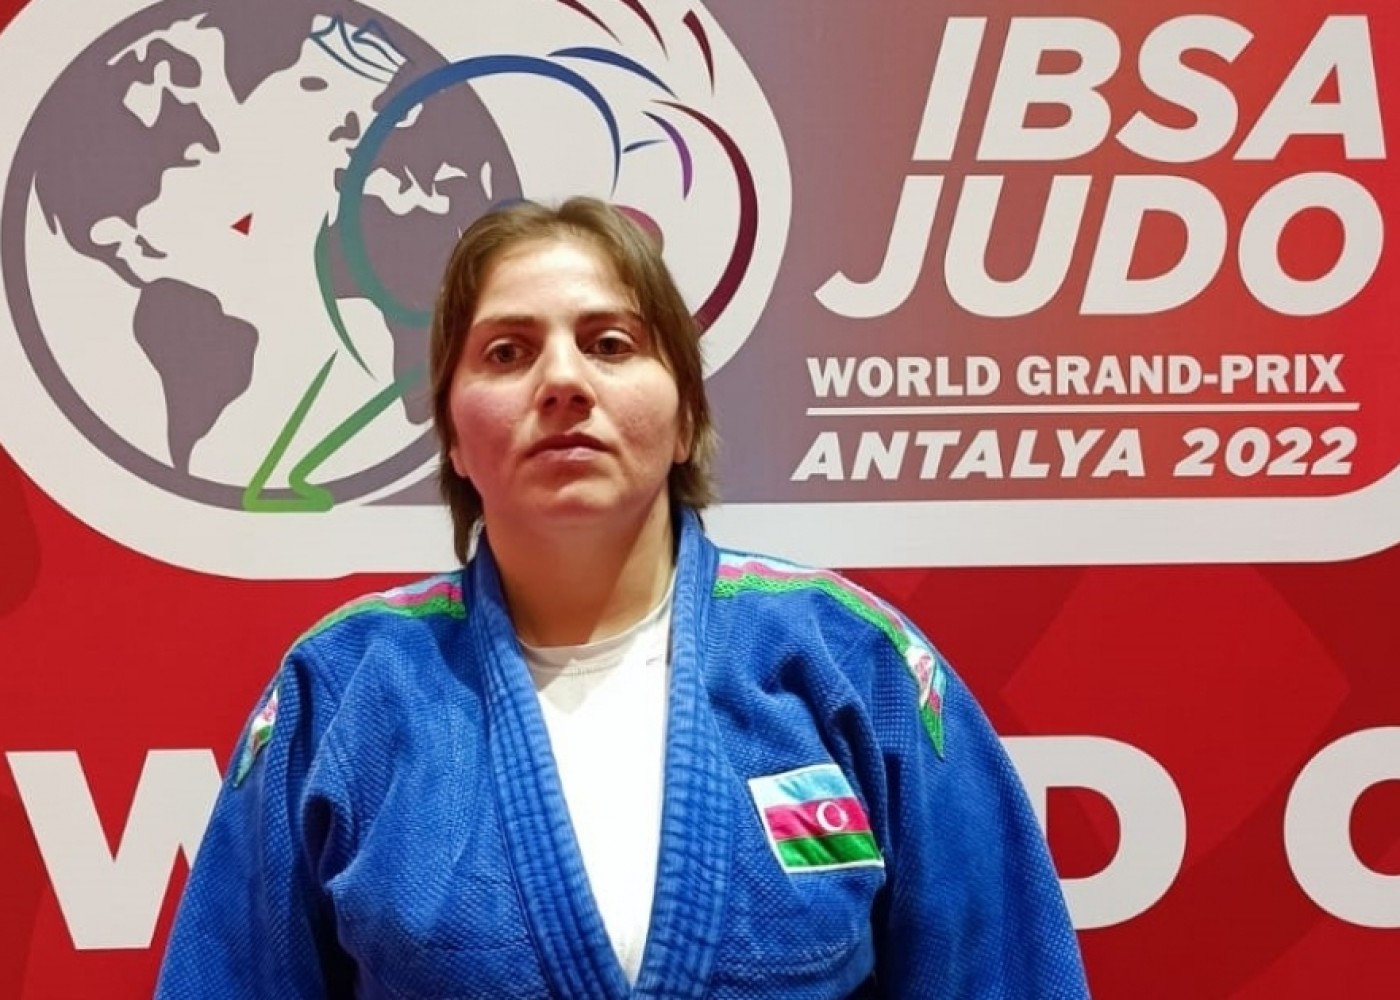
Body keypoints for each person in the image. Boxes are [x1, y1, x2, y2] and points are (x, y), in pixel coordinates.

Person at [155, 197, 1090, 998]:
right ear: (453, 437)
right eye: (508, 353)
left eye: (610, 344)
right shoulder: (346, 692)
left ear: (684, 419)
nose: (563, 381)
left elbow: (1002, 973)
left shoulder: (852, 665)